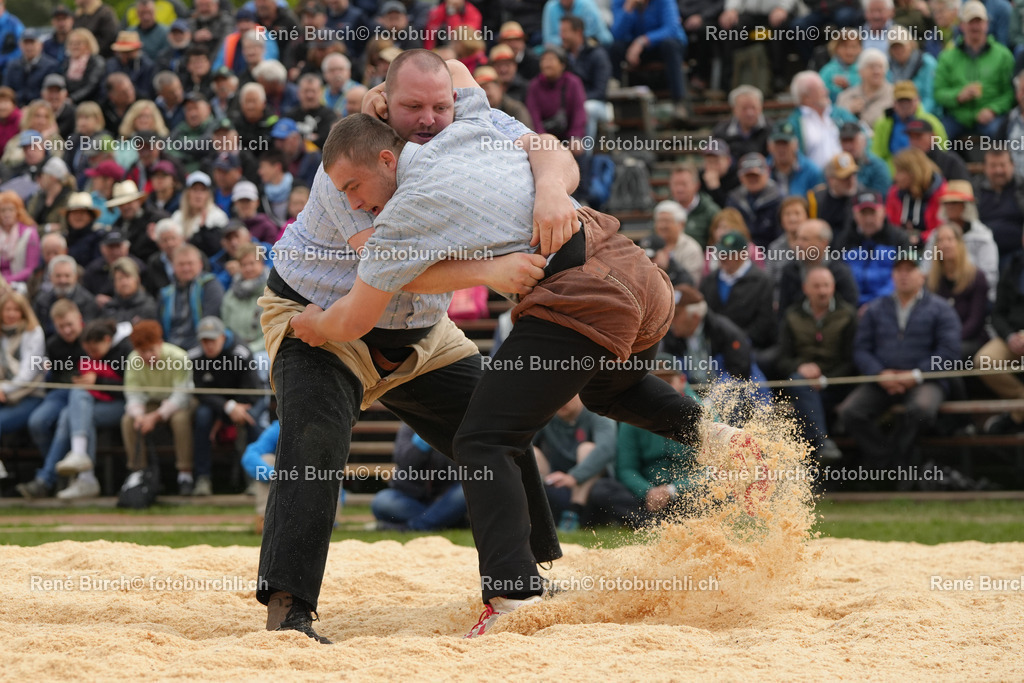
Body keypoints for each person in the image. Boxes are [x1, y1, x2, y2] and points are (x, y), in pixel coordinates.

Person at [257, 51, 581, 643]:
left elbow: (544, 144)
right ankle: (288, 606)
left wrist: (552, 192)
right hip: (320, 317)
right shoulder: (351, 162)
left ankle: (526, 579)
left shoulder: (469, 131)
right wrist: (489, 269)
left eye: (439, 105)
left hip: (422, 332)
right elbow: (389, 266)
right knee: (314, 442)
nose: (429, 118)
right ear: (385, 108)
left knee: (497, 432)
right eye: (412, 107)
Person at [836, 255, 960, 486]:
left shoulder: (941, 309)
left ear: (922, 276)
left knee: (921, 409)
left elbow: (949, 352)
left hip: (926, 380)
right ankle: (889, 463)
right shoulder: (875, 309)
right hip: (882, 380)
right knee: (850, 412)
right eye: (899, 270)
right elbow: (861, 349)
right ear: (892, 276)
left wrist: (916, 374)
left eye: (910, 270)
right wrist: (879, 373)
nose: (904, 275)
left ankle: (897, 469)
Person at [776, 266, 856, 462]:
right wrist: (800, 366)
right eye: (817, 286)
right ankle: (822, 444)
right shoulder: (791, 316)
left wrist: (826, 380)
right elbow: (781, 359)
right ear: (806, 288)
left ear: (833, 287)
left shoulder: (848, 315)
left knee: (803, 405)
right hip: (802, 385)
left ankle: (817, 453)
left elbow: (852, 361)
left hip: (836, 385)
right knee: (799, 382)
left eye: (826, 286)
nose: (822, 291)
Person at [47, 318, 133, 499]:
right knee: (71, 411)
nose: (91, 355)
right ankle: (82, 475)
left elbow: (132, 391)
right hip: (99, 403)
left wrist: (98, 381)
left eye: (94, 350)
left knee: (74, 414)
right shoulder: (91, 352)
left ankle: (80, 474)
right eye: (88, 351)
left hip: (127, 406)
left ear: (107, 340)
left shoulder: (127, 350)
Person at [615, 356, 704, 520]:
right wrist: (648, 491)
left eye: (668, 382)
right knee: (604, 490)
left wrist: (673, 490)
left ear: (682, 381)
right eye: (656, 383)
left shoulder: (703, 412)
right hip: (647, 494)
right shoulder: (631, 416)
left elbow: (712, 470)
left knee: (715, 488)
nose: (662, 390)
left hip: (689, 491)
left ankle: (651, 521)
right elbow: (626, 469)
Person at [188, 316, 265, 497]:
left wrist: (234, 409)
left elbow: (253, 389)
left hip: (247, 401)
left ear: (222, 337)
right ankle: (202, 478)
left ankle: (255, 479)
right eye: (204, 341)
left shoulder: (241, 352)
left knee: (251, 421)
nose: (208, 345)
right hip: (217, 404)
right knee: (202, 417)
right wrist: (228, 408)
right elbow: (200, 391)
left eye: (212, 340)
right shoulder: (195, 356)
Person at [534, 394, 631, 531]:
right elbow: (523, 443)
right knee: (532, 452)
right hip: (558, 482)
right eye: (557, 394)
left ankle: (574, 511)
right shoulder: (546, 415)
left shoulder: (596, 411)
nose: (562, 400)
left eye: (569, 394)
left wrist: (574, 477)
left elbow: (606, 448)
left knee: (586, 449)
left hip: (591, 489)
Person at [17, 298, 83, 498]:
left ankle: (46, 479)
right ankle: (57, 471)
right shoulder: (53, 344)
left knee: (65, 420)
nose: (67, 330)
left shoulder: (89, 338)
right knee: (37, 422)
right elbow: (50, 376)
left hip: (82, 396)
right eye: (61, 326)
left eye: (70, 324)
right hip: (59, 393)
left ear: (79, 319)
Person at [121, 319, 196, 494]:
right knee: (128, 421)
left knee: (180, 420)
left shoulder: (179, 357)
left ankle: (185, 473)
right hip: (151, 402)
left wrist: (155, 417)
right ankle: (138, 472)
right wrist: (139, 416)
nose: (148, 356)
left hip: (180, 402)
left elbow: (181, 396)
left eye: (151, 350)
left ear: (160, 343)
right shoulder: (133, 360)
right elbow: (133, 393)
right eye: (142, 351)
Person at [934, 0, 1014, 139]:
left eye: (979, 22)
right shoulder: (947, 57)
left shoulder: (1003, 55)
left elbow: (1010, 93)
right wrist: (958, 96)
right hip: (957, 116)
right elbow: (938, 92)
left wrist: (993, 109)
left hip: (990, 117)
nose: (975, 26)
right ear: (961, 25)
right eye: (971, 22)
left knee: (999, 132)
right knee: (938, 135)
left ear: (987, 24)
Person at [371, 423, 468, 531]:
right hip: (410, 497)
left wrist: (445, 442)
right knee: (382, 501)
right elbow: (404, 463)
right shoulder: (409, 425)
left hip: (445, 498)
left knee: (465, 491)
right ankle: (444, 520)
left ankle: (410, 527)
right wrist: (424, 440)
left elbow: (460, 472)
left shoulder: (455, 428)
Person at [920, 181, 998, 302]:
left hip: (973, 296)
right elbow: (925, 269)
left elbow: (989, 276)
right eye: (947, 203)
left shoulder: (982, 237)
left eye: (955, 202)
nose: (950, 207)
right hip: (940, 294)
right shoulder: (936, 235)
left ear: (967, 205)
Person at [698, 230, 776, 351]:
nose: (723, 258)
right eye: (721, 253)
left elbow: (764, 321)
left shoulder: (761, 281)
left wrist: (739, 342)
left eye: (729, 254)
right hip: (714, 347)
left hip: (749, 347)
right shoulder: (710, 280)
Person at [610, 0, 688, 118]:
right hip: (636, 50)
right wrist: (628, 9)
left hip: (661, 45)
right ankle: (618, 104)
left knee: (670, 45)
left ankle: (679, 103)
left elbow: (671, 29)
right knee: (615, 48)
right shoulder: (620, 2)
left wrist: (643, 41)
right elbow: (616, 34)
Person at [0, 290, 45, 489]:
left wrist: (3, 389)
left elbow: (27, 375)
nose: (11, 314)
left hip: (29, 396)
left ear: (24, 312)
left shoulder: (33, 333)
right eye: (7, 309)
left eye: (16, 310)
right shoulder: (2, 335)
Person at [837, 190, 912, 306]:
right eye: (863, 213)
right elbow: (840, 276)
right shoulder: (844, 240)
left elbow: (903, 275)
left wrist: (875, 306)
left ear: (883, 212)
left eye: (873, 213)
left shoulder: (899, 239)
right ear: (855, 215)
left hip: (888, 305)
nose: (868, 220)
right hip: (851, 305)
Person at [925, 223, 989, 360]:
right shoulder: (931, 281)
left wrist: (948, 339)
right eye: (940, 240)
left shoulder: (976, 277)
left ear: (960, 243)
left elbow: (975, 321)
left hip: (969, 338)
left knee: (947, 355)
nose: (945, 245)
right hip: (939, 339)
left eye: (950, 239)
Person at [777, 219, 859, 315]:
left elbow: (850, 309)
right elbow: (783, 312)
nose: (798, 244)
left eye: (805, 239)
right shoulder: (790, 272)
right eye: (797, 238)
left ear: (823, 243)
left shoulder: (840, 273)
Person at [785, 71, 859, 170]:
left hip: (846, 174)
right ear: (806, 97)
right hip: (813, 178)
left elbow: (862, 136)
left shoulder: (841, 114)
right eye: (821, 89)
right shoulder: (794, 123)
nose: (826, 91)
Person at [159, 243, 223, 349]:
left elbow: (211, 320)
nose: (186, 268)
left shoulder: (210, 285)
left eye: (190, 263)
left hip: (201, 345)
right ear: (173, 266)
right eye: (181, 264)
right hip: (171, 347)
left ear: (200, 264)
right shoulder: (166, 293)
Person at [871, 81, 946, 171]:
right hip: (894, 171)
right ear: (894, 103)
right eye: (901, 101)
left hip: (924, 170)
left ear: (917, 101)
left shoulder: (931, 123)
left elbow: (942, 151)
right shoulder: (883, 124)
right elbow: (878, 154)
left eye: (908, 101)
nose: (905, 105)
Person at [885, 146, 946, 246]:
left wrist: (920, 238)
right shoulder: (894, 192)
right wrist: (903, 236)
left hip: (932, 246)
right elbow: (890, 225)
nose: (895, 177)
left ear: (913, 172)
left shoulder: (940, 193)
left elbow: (941, 228)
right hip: (901, 244)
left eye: (899, 172)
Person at [974, 149, 1024, 266]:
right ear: (985, 168)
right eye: (993, 166)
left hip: (1017, 253)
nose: (998, 170)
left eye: (1002, 165)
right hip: (981, 253)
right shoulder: (975, 189)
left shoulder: (1021, 187)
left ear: (1012, 165)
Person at [32, 254, 99, 336]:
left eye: (67, 276)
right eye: (58, 276)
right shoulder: (41, 301)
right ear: (50, 277)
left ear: (75, 277)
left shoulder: (88, 301)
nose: (62, 280)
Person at [725, 153, 782, 249]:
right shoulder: (734, 200)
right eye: (748, 176)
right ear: (741, 177)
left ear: (767, 173)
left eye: (756, 175)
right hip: (740, 251)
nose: (752, 179)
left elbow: (781, 235)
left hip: (772, 251)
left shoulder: (778, 199)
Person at [836, 48, 894, 129]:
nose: (876, 71)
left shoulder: (894, 95)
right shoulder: (845, 96)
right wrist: (848, 111)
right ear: (860, 71)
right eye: (871, 67)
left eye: (880, 67)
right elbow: (835, 122)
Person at [767, 121, 824, 200]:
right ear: (769, 147)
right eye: (777, 144)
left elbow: (820, 200)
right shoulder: (763, 169)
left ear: (795, 145)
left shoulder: (811, 171)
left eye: (785, 144)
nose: (781, 149)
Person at [712, 85, 770, 161]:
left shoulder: (771, 130)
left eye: (753, 107)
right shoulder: (721, 131)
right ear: (734, 109)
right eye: (744, 108)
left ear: (761, 107)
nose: (749, 113)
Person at [668, 163, 719, 248]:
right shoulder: (665, 210)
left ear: (696, 185)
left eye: (684, 184)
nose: (679, 189)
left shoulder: (710, 211)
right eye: (675, 184)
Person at [650, 200, 702, 283]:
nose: (662, 226)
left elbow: (691, 283)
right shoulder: (649, 243)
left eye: (667, 221)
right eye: (659, 221)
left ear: (681, 224)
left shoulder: (691, 249)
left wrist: (668, 266)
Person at [101, 256, 158, 324]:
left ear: (137, 279)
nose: (124, 282)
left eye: (127, 277)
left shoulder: (149, 307)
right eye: (120, 278)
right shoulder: (109, 308)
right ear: (114, 282)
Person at [839, 122, 891, 196]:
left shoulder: (877, 166)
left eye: (852, 140)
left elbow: (881, 196)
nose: (848, 146)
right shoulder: (836, 165)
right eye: (844, 141)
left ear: (863, 142)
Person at [0, 190, 39, 288]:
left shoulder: (29, 234)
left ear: (18, 211)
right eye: (3, 210)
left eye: (11, 210)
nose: (7, 214)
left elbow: (31, 269)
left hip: (20, 284)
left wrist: (6, 281)